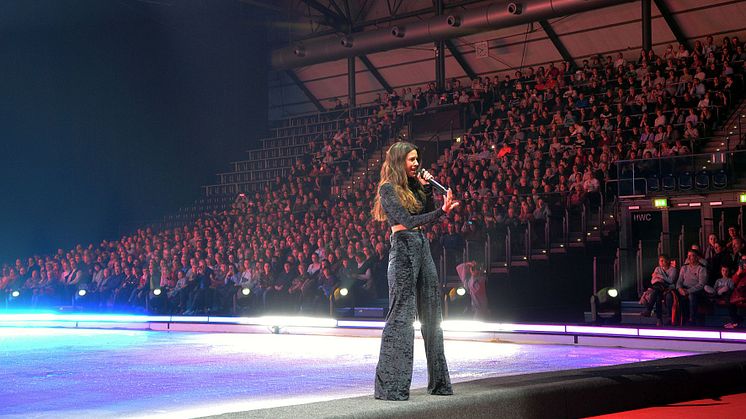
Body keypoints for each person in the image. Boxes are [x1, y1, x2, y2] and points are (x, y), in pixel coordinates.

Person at [371, 141, 458, 401]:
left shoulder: (414, 187)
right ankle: (392, 387)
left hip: (421, 246)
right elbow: (408, 221)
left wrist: (428, 190)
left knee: (432, 314)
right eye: (411, 159)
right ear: (399, 161)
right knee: (402, 317)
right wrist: (441, 213)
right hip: (403, 250)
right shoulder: (388, 189)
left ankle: (439, 383)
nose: (416, 163)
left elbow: (425, 212)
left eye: (417, 159)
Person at [641, 254, 677, 325]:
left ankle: (650, 311)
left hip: (667, 287)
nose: (661, 262)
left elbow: (670, 281)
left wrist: (660, 276)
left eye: (663, 260)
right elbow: (653, 280)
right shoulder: (657, 269)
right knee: (658, 296)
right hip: (658, 287)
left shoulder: (673, 269)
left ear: (667, 261)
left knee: (657, 292)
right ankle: (658, 319)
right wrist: (659, 279)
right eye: (660, 261)